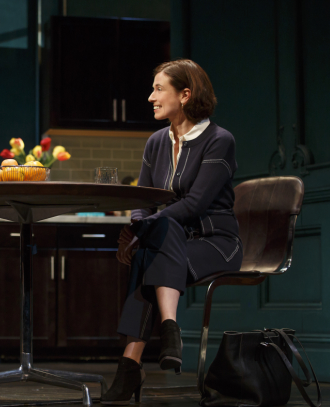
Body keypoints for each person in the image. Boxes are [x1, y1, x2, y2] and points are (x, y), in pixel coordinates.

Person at [101, 59, 243, 405]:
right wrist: (138, 225)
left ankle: (131, 366)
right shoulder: (155, 143)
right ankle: (167, 332)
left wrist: (143, 232)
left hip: (216, 243)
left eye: (158, 89)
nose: (151, 97)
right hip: (171, 241)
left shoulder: (219, 140)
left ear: (185, 95)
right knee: (158, 239)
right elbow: (143, 199)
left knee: (158, 239)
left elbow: (194, 205)